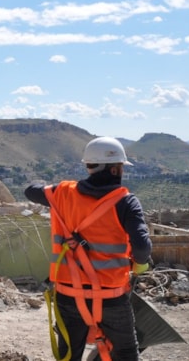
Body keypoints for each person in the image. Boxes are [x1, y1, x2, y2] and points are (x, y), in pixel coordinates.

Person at [24, 136, 152, 361]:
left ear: (89, 166)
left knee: (69, 355)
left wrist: (63, 188)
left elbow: (30, 191)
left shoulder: (63, 193)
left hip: (68, 294)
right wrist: (140, 264)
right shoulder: (126, 202)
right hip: (111, 297)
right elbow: (141, 247)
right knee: (125, 354)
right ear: (115, 169)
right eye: (121, 166)